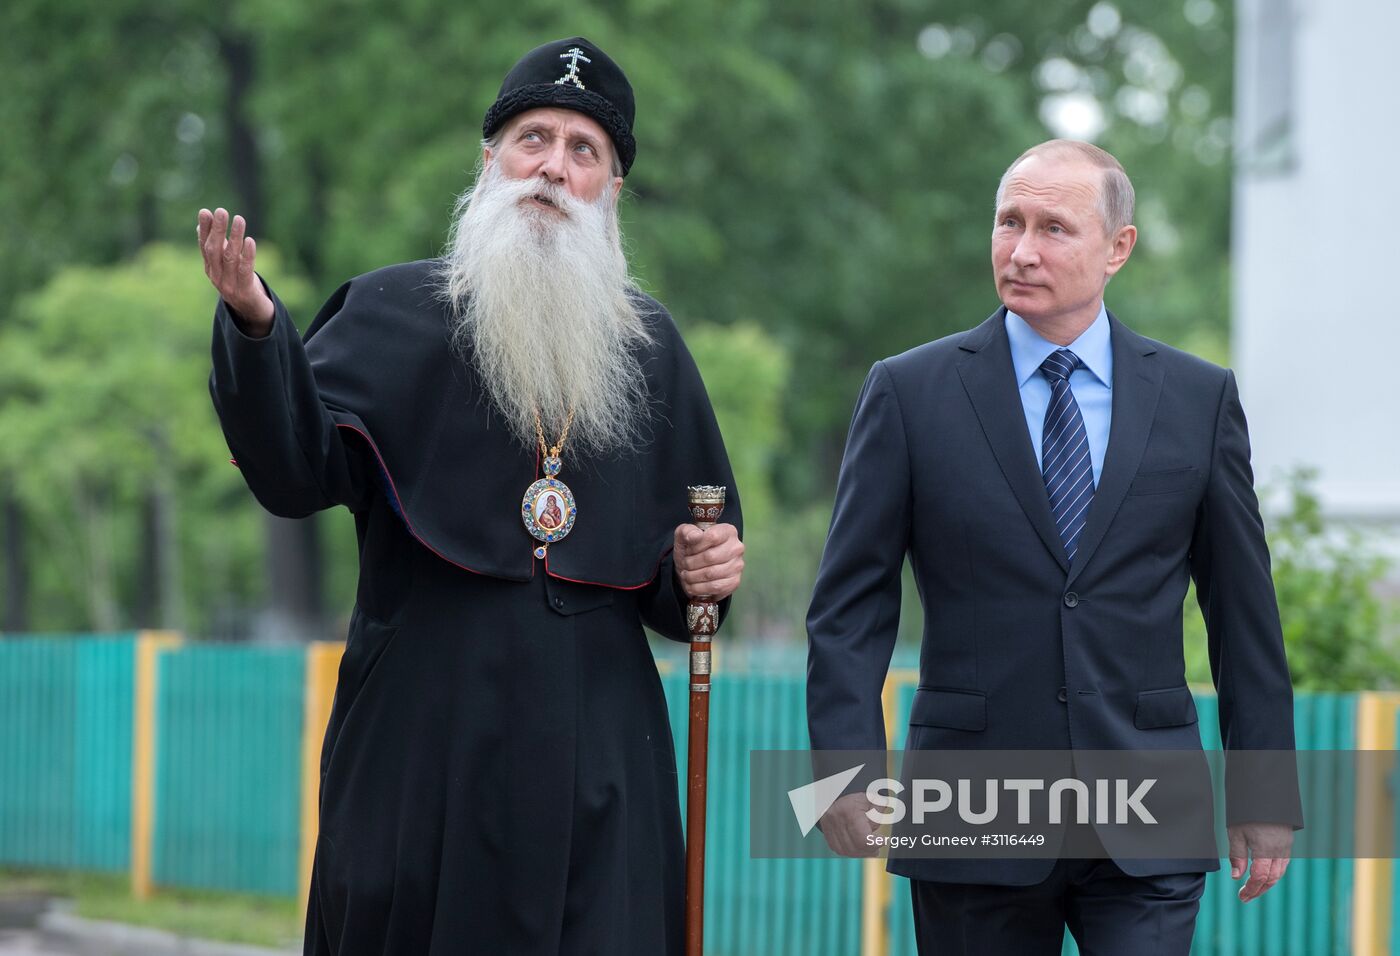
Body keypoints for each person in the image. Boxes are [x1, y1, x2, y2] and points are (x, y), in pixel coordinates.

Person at [199, 37, 744, 956]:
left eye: (583, 150)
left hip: (600, 763)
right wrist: (257, 325)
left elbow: (684, 580)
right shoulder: (389, 312)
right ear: (490, 161)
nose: (554, 167)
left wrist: (707, 569)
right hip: (423, 744)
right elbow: (293, 473)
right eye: (534, 138)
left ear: (610, 190)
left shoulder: (651, 350)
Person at [805, 140, 1300, 954]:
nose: (1022, 250)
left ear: (1118, 247)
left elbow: (1243, 610)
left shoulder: (1198, 398)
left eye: (1054, 228)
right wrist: (844, 768)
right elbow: (850, 605)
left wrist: (1265, 788)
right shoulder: (909, 392)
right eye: (1009, 222)